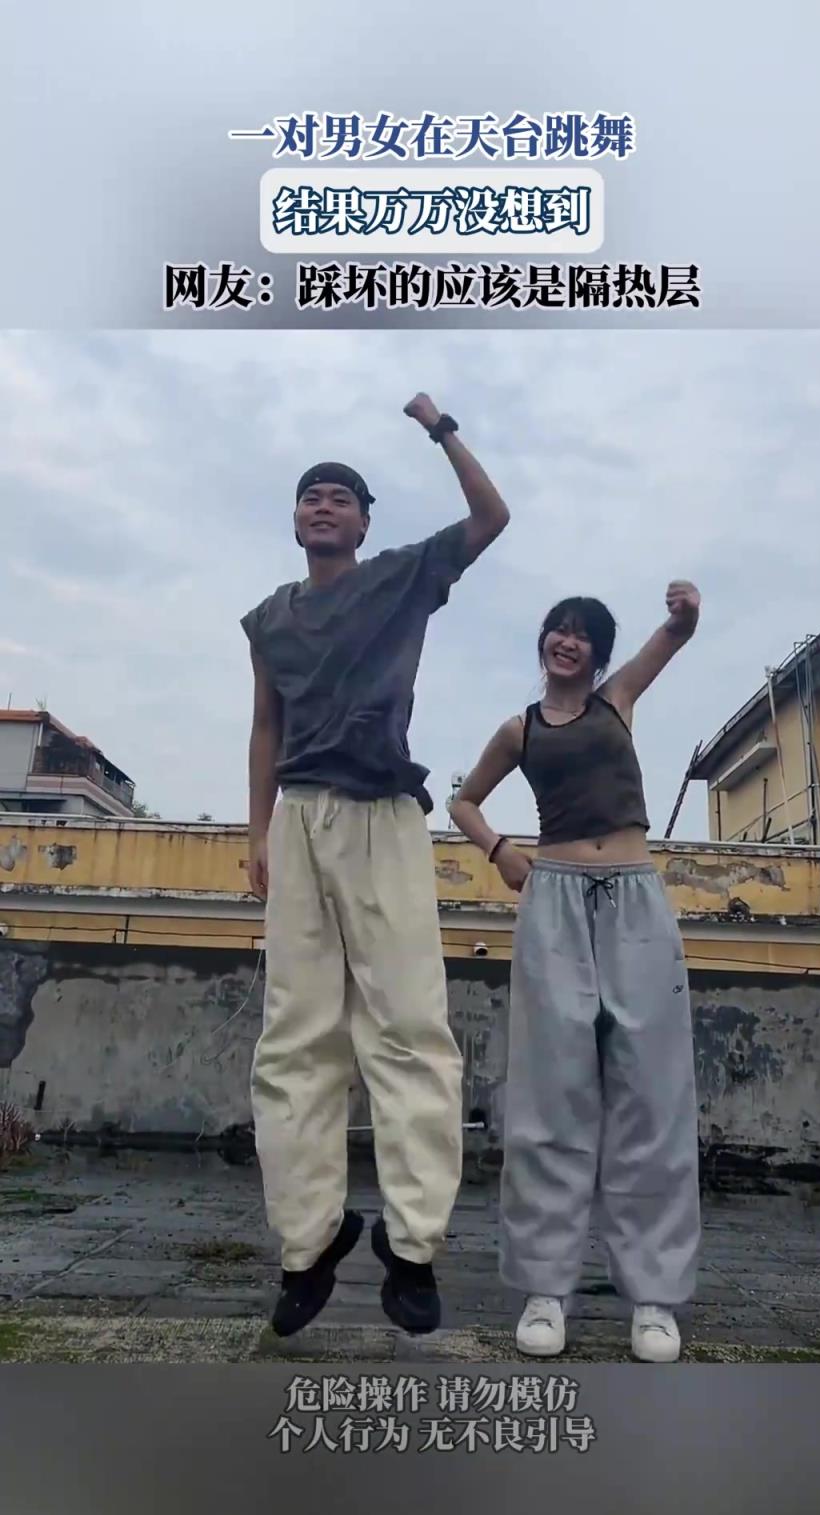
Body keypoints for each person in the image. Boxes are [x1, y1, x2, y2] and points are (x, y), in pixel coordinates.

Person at [241, 394, 510, 1340]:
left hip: (383, 813)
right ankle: (308, 1242)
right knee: (295, 1038)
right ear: (296, 521)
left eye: (341, 498)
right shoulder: (268, 619)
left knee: (407, 1028)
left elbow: (490, 518)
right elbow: (265, 725)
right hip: (300, 818)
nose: (324, 505)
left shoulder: (399, 577)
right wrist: (257, 832)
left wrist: (442, 427)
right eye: (311, 496)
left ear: (362, 524)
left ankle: (414, 1244)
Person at [449, 583, 702, 1362]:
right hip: (552, 900)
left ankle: (653, 1297)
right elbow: (464, 801)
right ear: (543, 642)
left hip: (634, 897)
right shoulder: (518, 729)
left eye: (582, 634)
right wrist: (500, 852)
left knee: (652, 1096)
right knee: (550, 1096)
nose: (567, 641)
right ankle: (545, 1290)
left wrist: (684, 613)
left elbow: (674, 639)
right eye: (558, 630)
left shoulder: (615, 701)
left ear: (596, 653)